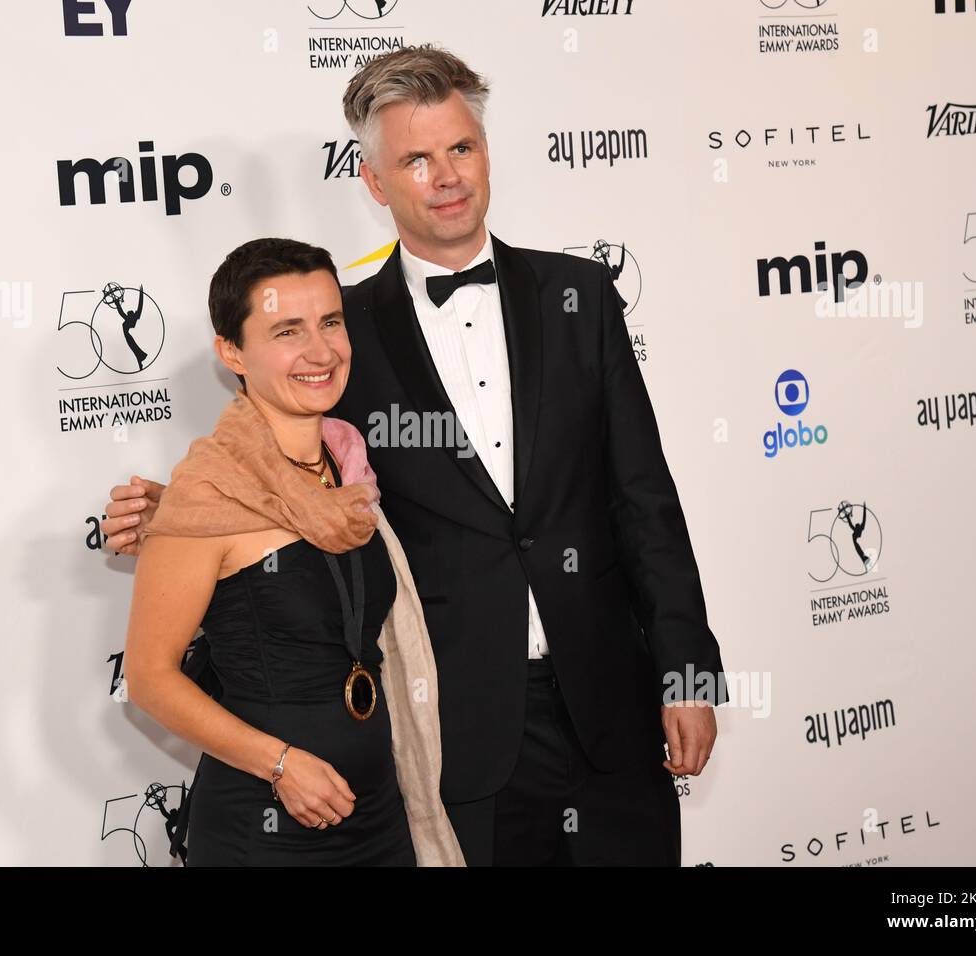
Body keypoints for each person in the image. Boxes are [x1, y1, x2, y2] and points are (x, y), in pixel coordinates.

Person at [107, 45, 726, 866]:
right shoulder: (342, 334)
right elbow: (277, 470)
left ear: (486, 152)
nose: (446, 176)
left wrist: (687, 670)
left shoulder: (580, 297)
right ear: (374, 181)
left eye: (460, 149)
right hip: (458, 737)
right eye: (417, 159)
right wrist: (171, 512)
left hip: (615, 708)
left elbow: (645, 497)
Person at [122, 237, 463, 867]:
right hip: (268, 825)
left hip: (381, 815)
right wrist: (279, 766)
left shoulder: (350, 464)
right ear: (232, 351)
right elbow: (148, 679)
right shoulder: (208, 491)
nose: (320, 351)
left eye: (330, 322)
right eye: (287, 331)